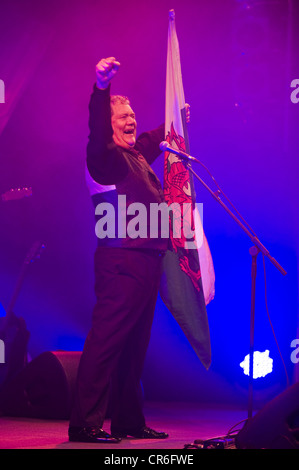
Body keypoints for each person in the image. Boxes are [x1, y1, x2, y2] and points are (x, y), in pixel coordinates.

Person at [68, 57, 171, 443]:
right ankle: (84, 424)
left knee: (134, 347)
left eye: (133, 115)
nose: (132, 121)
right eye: (123, 116)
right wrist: (101, 89)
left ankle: (128, 421)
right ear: (109, 125)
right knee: (108, 341)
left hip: (146, 261)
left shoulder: (134, 155)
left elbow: (148, 141)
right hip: (121, 260)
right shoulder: (104, 158)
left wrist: (174, 119)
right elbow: (97, 129)